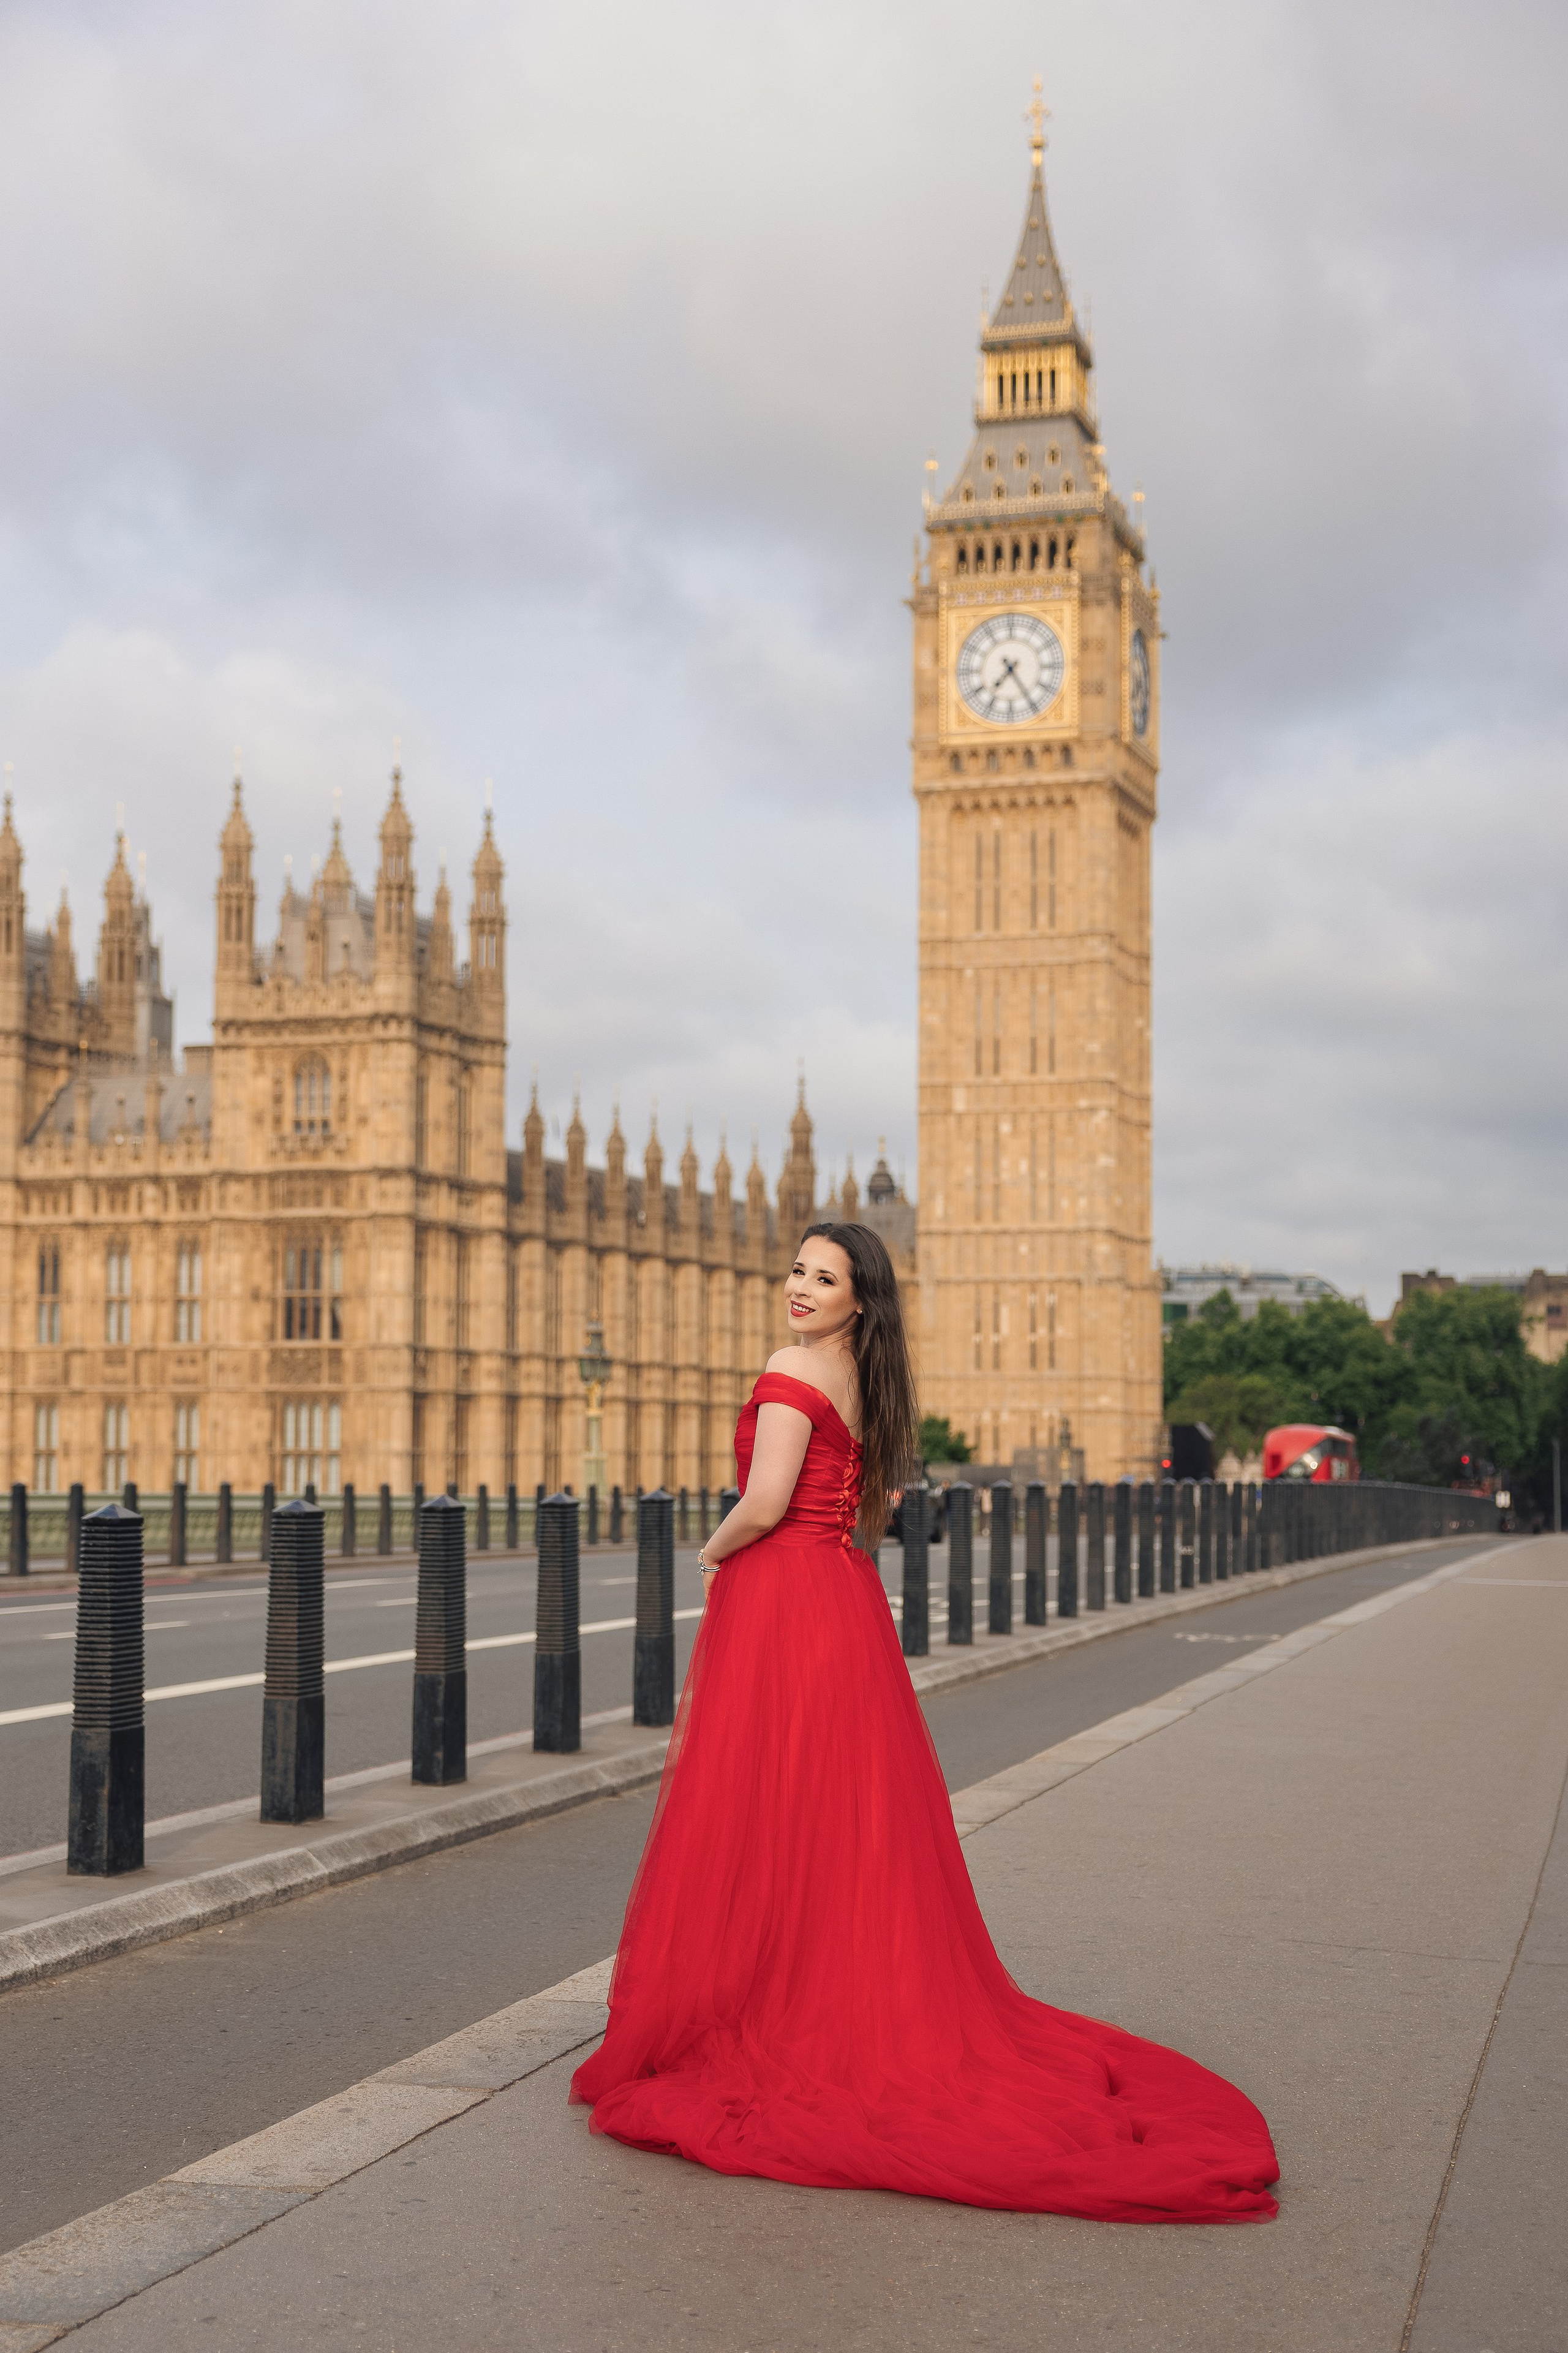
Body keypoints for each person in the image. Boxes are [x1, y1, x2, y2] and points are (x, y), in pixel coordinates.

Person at [570, 1222, 1279, 2222]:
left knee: (765, 1807)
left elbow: (766, 1498)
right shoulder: (872, 1377)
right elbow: (857, 1505)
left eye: (825, 1276)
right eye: (799, 1270)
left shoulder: (791, 1367)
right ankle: (824, 1987)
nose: (801, 1287)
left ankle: (776, 2000)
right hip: (842, 1601)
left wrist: (714, 1549)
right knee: (843, 1819)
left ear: (858, 1298)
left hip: (781, 1602)